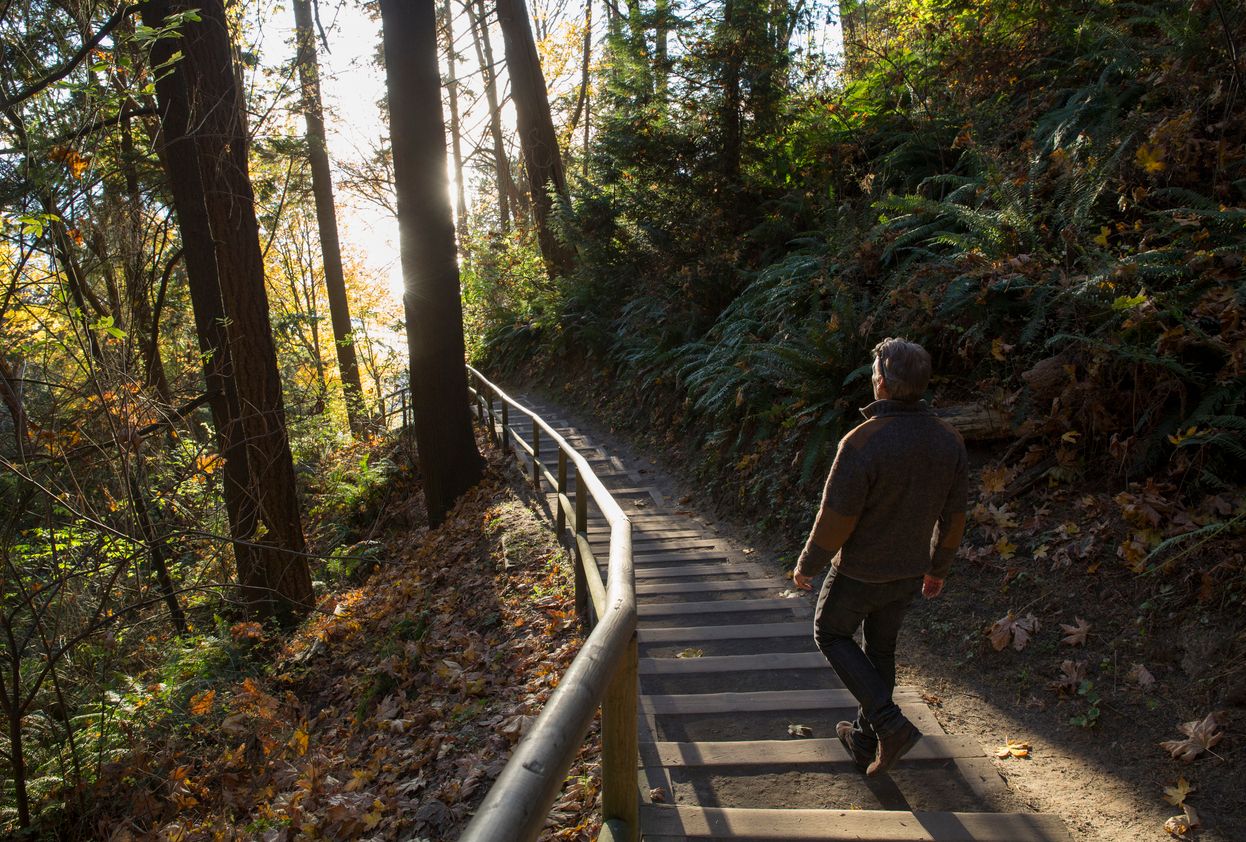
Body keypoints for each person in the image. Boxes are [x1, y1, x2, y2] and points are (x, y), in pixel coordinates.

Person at [792, 337, 968, 777]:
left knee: (830, 633)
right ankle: (865, 739)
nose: (872, 379)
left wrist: (808, 564)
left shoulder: (863, 441)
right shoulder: (949, 440)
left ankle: (889, 726)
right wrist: (938, 567)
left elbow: (837, 517)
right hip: (909, 570)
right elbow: (956, 515)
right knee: (881, 649)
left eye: (874, 374)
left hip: (859, 571)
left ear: (883, 385)